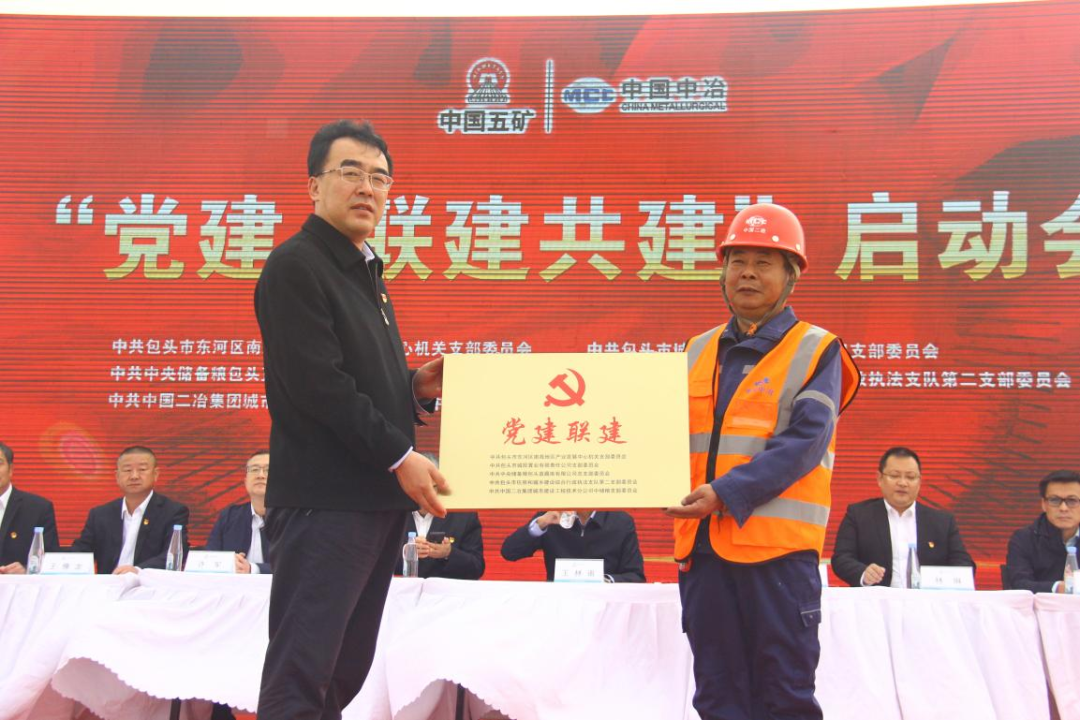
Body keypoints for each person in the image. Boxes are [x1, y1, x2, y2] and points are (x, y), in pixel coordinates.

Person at [254, 119, 449, 720]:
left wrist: (413, 387)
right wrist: (400, 455)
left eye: (380, 178)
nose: (368, 187)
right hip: (327, 504)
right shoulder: (297, 265)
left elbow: (354, 378)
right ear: (314, 186)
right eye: (351, 172)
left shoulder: (365, 271)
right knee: (302, 676)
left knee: (341, 672)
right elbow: (320, 386)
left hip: (370, 503)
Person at [666, 203, 860, 720]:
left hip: (777, 555)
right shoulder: (695, 350)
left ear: (792, 275)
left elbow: (805, 442)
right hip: (703, 553)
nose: (747, 273)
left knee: (784, 698)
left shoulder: (817, 349)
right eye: (738, 261)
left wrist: (726, 493)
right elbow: (658, 436)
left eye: (764, 262)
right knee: (717, 697)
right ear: (723, 272)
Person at [831, 447, 974, 588]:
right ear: (879, 478)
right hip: (876, 600)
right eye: (894, 476)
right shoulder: (859, 515)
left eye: (910, 477)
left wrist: (940, 580)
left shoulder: (942, 522)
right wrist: (863, 573)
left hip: (927, 601)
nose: (902, 483)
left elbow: (964, 564)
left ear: (919, 481)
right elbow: (841, 558)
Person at [70, 446, 189, 575]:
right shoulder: (100, 514)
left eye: (142, 470)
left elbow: (174, 555)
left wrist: (138, 570)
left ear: (155, 474)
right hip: (109, 584)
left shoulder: (172, 512)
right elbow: (81, 552)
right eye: (127, 470)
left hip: (148, 584)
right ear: (117, 476)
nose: (134, 476)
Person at [501, 510, 646, 582]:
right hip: (559, 604)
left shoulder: (620, 521)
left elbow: (635, 576)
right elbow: (509, 552)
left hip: (606, 605)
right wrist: (540, 524)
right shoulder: (551, 517)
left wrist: (605, 581)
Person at [1005, 469, 1080, 593]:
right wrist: (1058, 588)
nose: (1063, 508)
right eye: (1054, 500)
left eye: (1072, 501)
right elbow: (1019, 583)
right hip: (1039, 605)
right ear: (1044, 504)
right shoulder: (1024, 539)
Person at [205, 450, 272, 574]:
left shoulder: (290, 520)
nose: (260, 475)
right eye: (254, 469)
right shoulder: (229, 516)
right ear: (245, 481)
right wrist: (227, 562)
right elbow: (209, 557)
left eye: (268, 470)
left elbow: (297, 565)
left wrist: (252, 568)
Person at [0, 440, 61, 573]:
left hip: (18, 585)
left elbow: (52, 561)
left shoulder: (38, 509)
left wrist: (27, 570)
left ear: (11, 469)